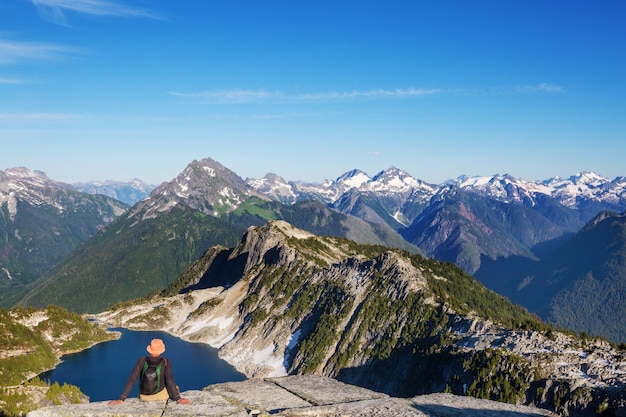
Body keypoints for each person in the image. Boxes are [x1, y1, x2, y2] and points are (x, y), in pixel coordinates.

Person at [108, 338, 191, 405]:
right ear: (162, 350)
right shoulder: (166, 361)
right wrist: (178, 398)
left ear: (150, 349)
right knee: (176, 387)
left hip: (144, 397)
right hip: (160, 396)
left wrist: (121, 399)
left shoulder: (141, 360)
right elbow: (169, 380)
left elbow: (132, 380)